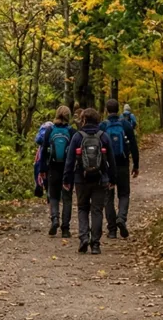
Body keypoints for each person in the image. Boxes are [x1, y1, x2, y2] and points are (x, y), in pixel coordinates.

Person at [63, 107, 112, 255]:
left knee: (83, 208)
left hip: (81, 179)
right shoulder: (104, 136)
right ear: (97, 120)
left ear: (83, 120)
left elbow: (70, 160)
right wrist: (112, 178)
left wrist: (67, 179)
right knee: (97, 210)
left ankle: (84, 237)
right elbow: (112, 161)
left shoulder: (77, 137)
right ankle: (95, 244)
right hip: (100, 179)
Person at [100, 98, 140, 240]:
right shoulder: (126, 125)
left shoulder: (103, 126)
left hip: (107, 167)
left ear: (106, 110)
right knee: (123, 194)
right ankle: (121, 218)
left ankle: (111, 230)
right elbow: (134, 146)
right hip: (123, 164)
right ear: (118, 110)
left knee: (108, 198)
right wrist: (136, 165)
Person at [39, 106, 75, 237]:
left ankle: (55, 219)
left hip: (52, 168)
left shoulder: (50, 130)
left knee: (53, 196)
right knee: (67, 198)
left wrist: (42, 169)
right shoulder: (71, 131)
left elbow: (44, 150)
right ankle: (65, 228)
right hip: (68, 169)